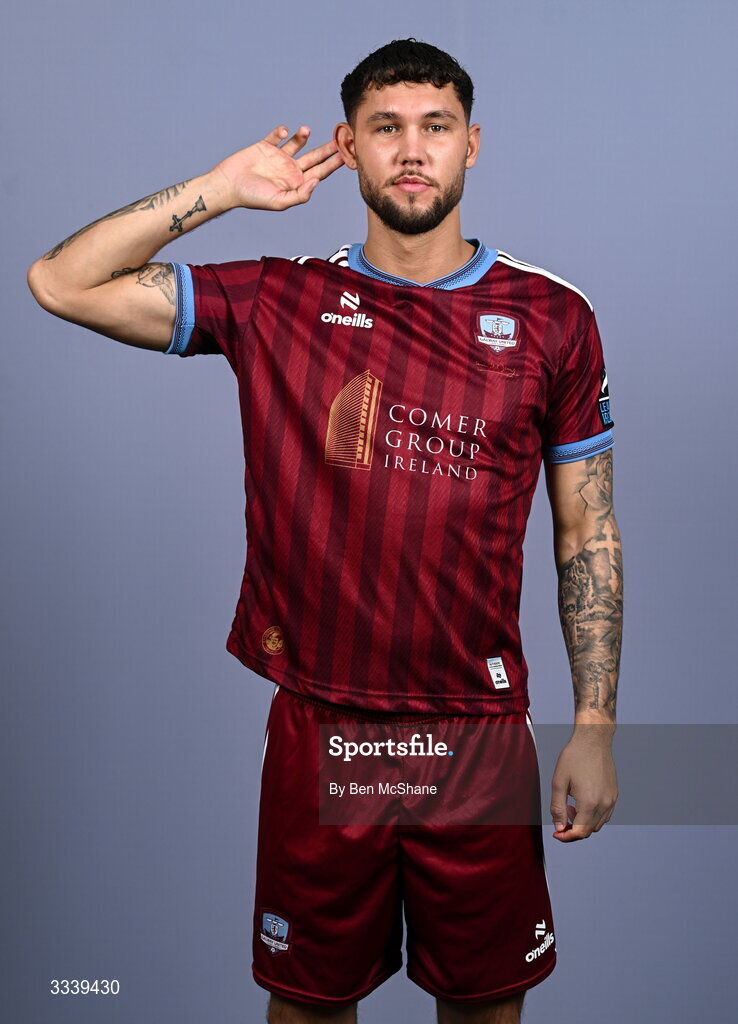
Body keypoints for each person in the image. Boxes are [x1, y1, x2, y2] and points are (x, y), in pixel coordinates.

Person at [27, 38, 622, 1024]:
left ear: (474, 144)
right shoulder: (280, 300)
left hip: (472, 736)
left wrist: (596, 727)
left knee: (483, 1009)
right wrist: (218, 188)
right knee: (308, 1008)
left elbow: (586, 532)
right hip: (324, 726)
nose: (413, 151)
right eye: (386, 129)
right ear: (348, 146)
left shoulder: (552, 319)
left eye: (436, 127)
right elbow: (62, 282)